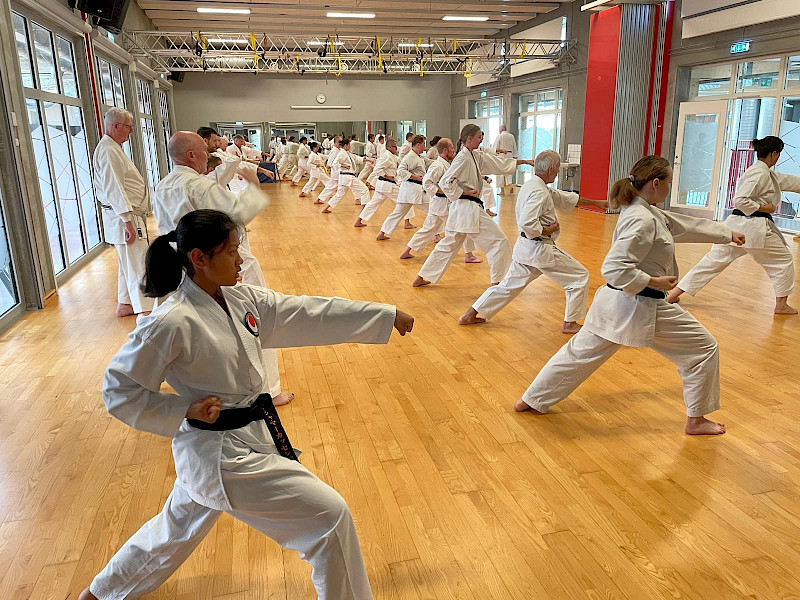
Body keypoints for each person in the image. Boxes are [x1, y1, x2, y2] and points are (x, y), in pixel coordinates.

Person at [77, 209, 415, 600]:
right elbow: (119, 389)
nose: (240, 260)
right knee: (329, 519)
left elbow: (308, 311)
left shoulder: (242, 300)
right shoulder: (171, 321)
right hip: (220, 454)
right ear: (199, 259)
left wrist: (382, 314)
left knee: (175, 529)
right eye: (231, 252)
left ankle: (100, 594)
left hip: (247, 436)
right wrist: (181, 410)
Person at [515, 155, 746, 435]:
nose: (670, 188)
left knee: (578, 354)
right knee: (703, 349)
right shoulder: (642, 219)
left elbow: (678, 225)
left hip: (614, 304)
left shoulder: (642, 210)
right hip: (640, 304)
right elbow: (613, 268)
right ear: (656, 183)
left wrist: (725, 233)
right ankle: (696, 420)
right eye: (669, 183)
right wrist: (654, 280)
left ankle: (532, 399)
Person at [153, 131, 295, 407]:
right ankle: (269, 390)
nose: (208, 153)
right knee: (255, 319)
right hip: (218, 264)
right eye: (204, 150)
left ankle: (177, 377)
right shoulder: (198, 186)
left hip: (183, 264)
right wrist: (254, 186)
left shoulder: (164, 184)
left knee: (191, 325)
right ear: (192, 155)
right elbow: (237, 215)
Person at [458, 150, 606, 333]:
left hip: (525, 250)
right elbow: (527, 222)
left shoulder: (533, 185)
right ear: (551, 169)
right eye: (558, 168)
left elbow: (562, 197)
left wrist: (595, 203)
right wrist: (546, 229)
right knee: (579, 277)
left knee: (507, 287)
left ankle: (470, 314)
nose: (558, 171)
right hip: (540, 249)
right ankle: (570, 323)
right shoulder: (539, 192)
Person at [667, 136, 800, 315]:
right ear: (774, 153)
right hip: (754, 228)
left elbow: (790, 182)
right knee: (782, 261)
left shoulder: (765, 173)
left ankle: (673, 295)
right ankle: (781, 305)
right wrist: (764, 207)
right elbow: (740, 200)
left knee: (711, 262)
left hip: (737, 228)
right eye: (779, 154)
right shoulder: (760, 173)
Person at [412, 124, 533, 288]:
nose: (481, 139)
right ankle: (498, 280)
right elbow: (445, 182)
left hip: (461, 210)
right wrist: (464, 193)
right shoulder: (463, 157)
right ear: (469, 139)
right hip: (468, 208)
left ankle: (422, 276)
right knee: (499, 241)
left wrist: (524, 161)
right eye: (478, 137)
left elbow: (497, 163)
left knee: (448, 245)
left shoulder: (474, 155)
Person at [94, 107, 154, 320]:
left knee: (127, 262)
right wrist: (127, 220)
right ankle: (144, 309)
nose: (131, 131)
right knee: (138, 261)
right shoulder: (108, 150)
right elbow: (114, 187)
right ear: (116, 126)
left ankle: (125, 303)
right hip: (124, 217)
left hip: (124, 216)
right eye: (128, 127)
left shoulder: (112, 147)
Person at [400, 137, 481, 263]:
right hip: (443, 204)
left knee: (428, 229)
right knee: (462, 226)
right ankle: (469, 255)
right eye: (452, 148)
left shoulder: (446, 164)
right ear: (444, 150)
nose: (454, 150)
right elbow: (427, 183)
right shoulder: (438, 165)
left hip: (438, 204)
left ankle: (406, 251)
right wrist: (444, 191)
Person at [376, 135, 428, 240]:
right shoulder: (410, 157)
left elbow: (428, 162)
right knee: (433, 210)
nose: (424, 147)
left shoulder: (417, 157)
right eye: (423, 145)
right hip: (413, 189)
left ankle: (382, 233)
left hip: (409, 190)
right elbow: (401, 171)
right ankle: (436, 235)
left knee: (397, 213)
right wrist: (416, 177)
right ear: (418, 145)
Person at [321, 138, 370, 213]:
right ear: (346, 145)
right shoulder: (342, 153)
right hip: (348, 177)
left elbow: (356, 158)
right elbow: (334, 163)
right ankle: (364, 210)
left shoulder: (346, 153)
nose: (350, 146)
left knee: (339, 195)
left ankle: (325, 208)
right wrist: (343, 166)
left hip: (344, 178)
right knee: (364, 189)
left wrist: (368, 160)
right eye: (349, 145)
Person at [315, 136, 342, 206]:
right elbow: (330, 162)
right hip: (336, 171)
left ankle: (319, 199)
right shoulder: (334, 150)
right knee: (332, 186)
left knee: (331, 186)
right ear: (335, 143)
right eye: (339, 142)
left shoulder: (339, 150)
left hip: (339, 171)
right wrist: (340, 166)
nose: (340, 144)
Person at [493, 125, 517, 191]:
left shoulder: (500, 136)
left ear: (501, 130)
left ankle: (502, 190)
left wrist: (494, 154)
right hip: (510, 155)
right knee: (508, 171)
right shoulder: (511, 136)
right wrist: (515, 155)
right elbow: (514, 146)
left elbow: (495, 147)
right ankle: (510, 185)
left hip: (501, 155)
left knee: (500, 172)